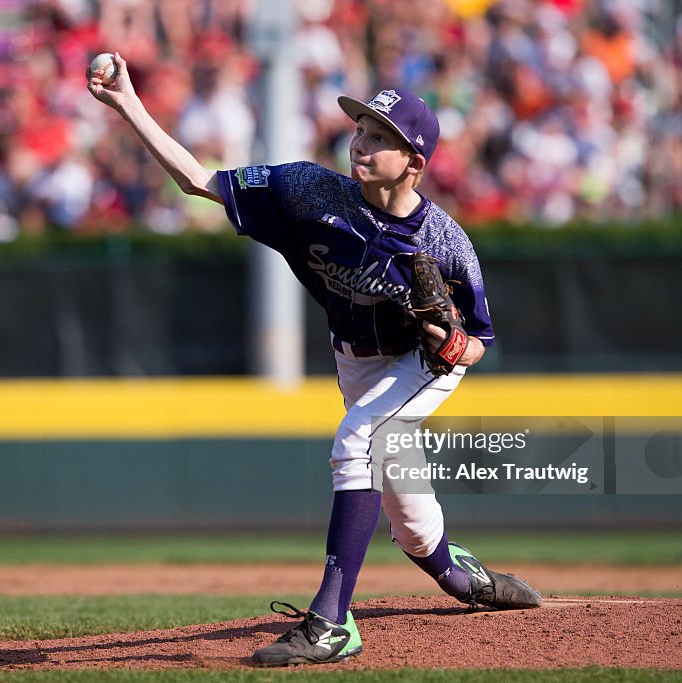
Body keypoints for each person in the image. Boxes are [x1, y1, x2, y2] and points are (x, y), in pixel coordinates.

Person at [88, 53, 542, 667]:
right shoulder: (307, 191)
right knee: (410, 524)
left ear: (415, 163)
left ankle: (331, 622)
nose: (361, 142)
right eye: (360, 128)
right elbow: (199, 179)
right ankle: (465, 578)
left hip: (420, 365)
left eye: (381, 138)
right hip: (355, 362)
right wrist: (128, 105)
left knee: (355, 443)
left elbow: (480, 339)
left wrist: (458, 347)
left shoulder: (444, 241)